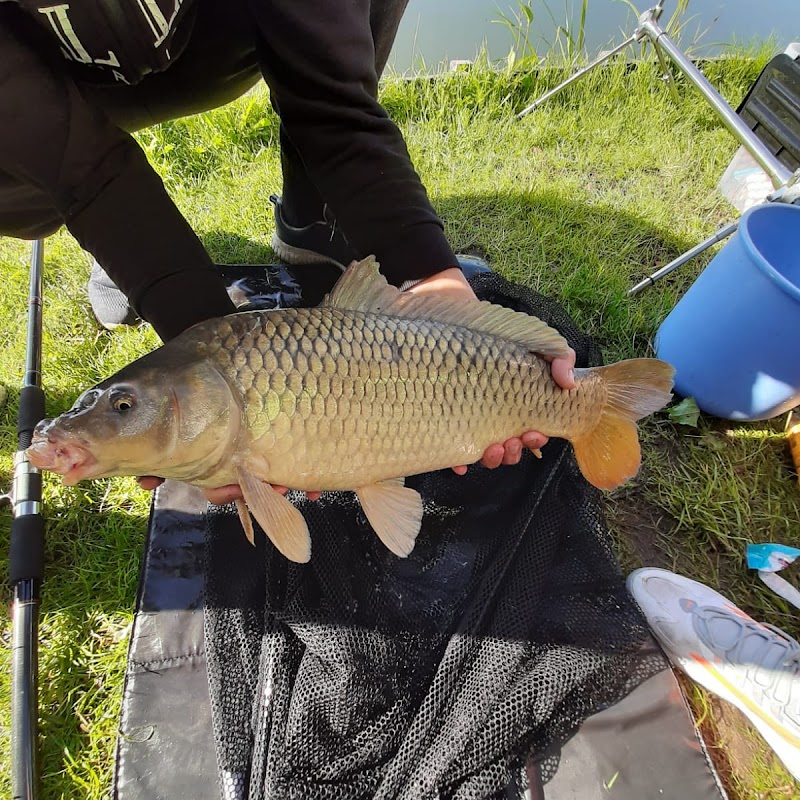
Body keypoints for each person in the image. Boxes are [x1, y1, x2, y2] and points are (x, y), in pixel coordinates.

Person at [0, 0, 576, 502]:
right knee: (32, 186)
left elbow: (335, 109)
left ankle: (311, 218)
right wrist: (182, 308)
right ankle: (134, 253)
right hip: (31, 96)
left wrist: (429, 274)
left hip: (204, 41)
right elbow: (87, 172)